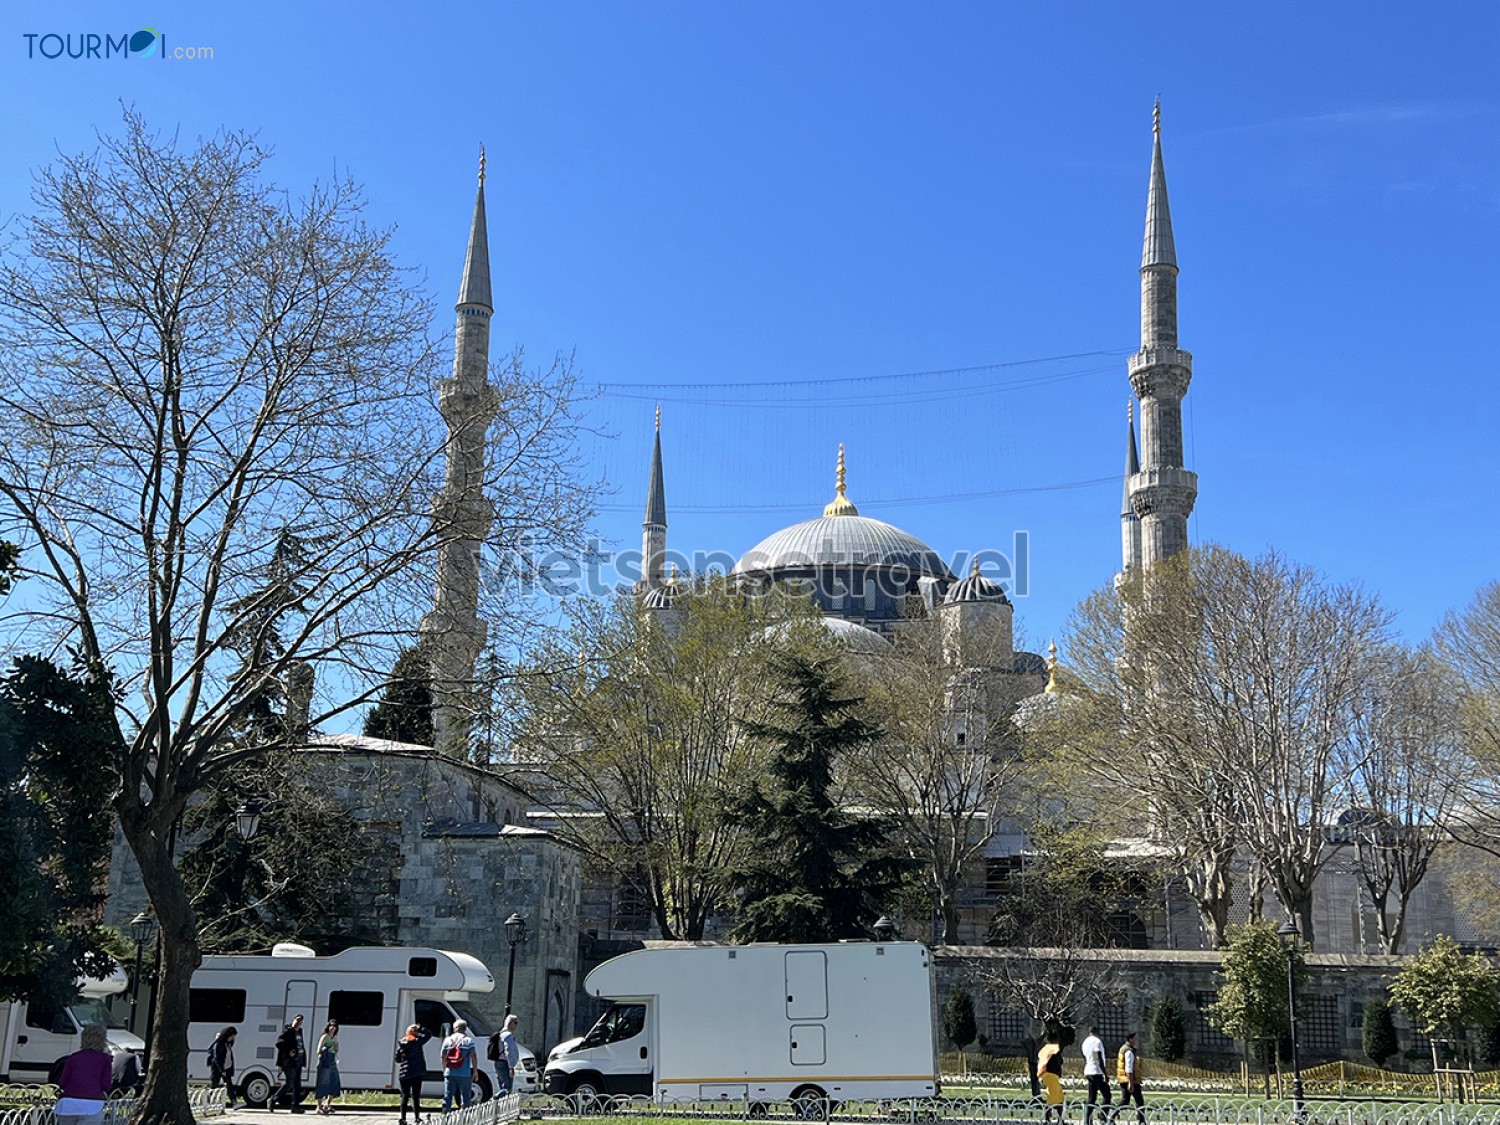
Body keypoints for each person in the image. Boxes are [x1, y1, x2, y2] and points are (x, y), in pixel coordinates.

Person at [54, 1023, 113, 1125]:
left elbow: (62, 1082)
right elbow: (105, 1085)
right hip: (92, 1104)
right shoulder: (105, 1059)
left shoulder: (73, 1058)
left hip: (69, 1104)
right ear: (103, 1040)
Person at [395, 1024, 433, 1125]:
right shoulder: (417, 1042)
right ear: (415, 1032)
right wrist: (421, 1028)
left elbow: (397, 1059)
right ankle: (417, 1117)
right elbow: (429, 1034)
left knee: (405, 1096)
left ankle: (403, 1118)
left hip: (404, 1074)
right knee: (415, 1096)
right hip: (416, 1073)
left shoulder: (402, 1043)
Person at [270, 1013, 307, 1113]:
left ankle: (295, 1106)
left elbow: (300, 1045)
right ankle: (273, 1099)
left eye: (300, 1021)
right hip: (289, 1062)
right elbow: (279, 1043)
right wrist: (289, 1051)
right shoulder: (288, 1031)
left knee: (297, 1085)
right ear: (293, 1020)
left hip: (298, 1061)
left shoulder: (299, 1032)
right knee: (290, 1083)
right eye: (297, 1020)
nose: (298, 1022)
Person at [440, 1019, 478, 1112]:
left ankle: (446, 1115)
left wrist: (444, 1069)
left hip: (450, 1073)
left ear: (455, 1028)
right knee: (466, 1097)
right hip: (464, 1074)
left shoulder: (448, 1040)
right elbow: (474, 1056)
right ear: (465, 1029)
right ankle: (465, 1117)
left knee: (448, 1096)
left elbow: (443, 1056)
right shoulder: (468, 1041)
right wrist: (475, 1071)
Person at [1080, 1026, 1112, 1125]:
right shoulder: (1097, 1042)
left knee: (1092, 1097)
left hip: (1088, 1070)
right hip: (1096, 1071)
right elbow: (1098, 1057)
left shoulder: (1085, 1042)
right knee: (1107, 1095)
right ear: (1096, 1032)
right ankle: (1103, 1117)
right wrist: (1105, 1073)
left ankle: (1087, 1119)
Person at [1037, 1031, 1065, 1125]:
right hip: (1051, 1075)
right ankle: (1049, 1119)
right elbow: (1058, 1061)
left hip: (1046, 1075)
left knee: (1059, 1096)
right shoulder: (1053, 1049)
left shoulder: (1044, 1049)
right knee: (1053, 1098)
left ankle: (1058, 1119)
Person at [1117, 1031, 1145, 1124]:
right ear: (1131, 1039)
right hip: (1130, 1079)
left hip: (1124, 1078)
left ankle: (1111, 1116)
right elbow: (1128, 1068)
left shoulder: (1123, 1048)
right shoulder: (1129, 1051)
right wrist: (1131, 1082)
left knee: (1125, 1100)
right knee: (1139, 1101)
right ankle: (1142, 1121)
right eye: (1135, 1038)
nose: (1136, 1040)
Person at [208, 1026, 240, 1109]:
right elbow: (217, 1058)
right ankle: (209, 1101)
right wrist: (221, 1070)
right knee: (214, 1083)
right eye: (232, 1036)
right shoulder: (218, 1044)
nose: (233, 1038)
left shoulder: (228, 1044)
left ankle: (234, 1102)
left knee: (229, 1085)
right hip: (218, 1068)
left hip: (227, 1067)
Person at [314, 1020, 341, 1115]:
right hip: (324, 1063)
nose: (332, 1028)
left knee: (334, 1083)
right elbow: (318, 1050)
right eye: (331, 1026)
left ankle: (327, 1104)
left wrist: (335, 1049)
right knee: (322, 1084)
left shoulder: (335, 1038)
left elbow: (337, 1049)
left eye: (334, 1026)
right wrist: (328, 1049)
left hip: (332, 1062)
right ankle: (319, 1106)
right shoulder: (324, 1037)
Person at [495, 1015, 521, 1096]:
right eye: (515, 1023)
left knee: (502, 1085)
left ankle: (500, 1106)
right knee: (507, 1088)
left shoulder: (500, 1034)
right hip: (505, 1063)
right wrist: (511, 1067)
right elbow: (508, 1051)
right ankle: (496, 1098)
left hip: (498, 1062)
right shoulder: (508, 1035)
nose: (517, 1025)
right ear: (510, 1023)